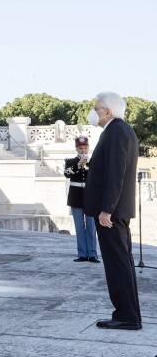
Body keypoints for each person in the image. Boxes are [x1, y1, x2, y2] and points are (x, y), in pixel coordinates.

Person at [84, 92, 141, 330]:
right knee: (122, 263)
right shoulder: (121, 130)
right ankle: (128, 314)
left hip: (111, 213)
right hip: (116, 212)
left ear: (107, 110)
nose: (94, 112)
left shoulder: (116, 131)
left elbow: (116, 173)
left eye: (97, 108)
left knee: (117, 264)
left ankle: (126, 317)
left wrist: (106, 209)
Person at [63, 136, 99, 263]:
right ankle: (82, 254)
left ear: (88, 148)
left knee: (91, 226)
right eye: (80, 148)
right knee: (79, 227)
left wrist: (88, 164)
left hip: (90, 197)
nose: (83, 150)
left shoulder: (94, 161)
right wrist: (78, 165)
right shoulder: (70, 161)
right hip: (76, 197)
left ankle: (92, 254)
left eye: (85, 147)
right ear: (76, 149)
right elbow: (67, 174)